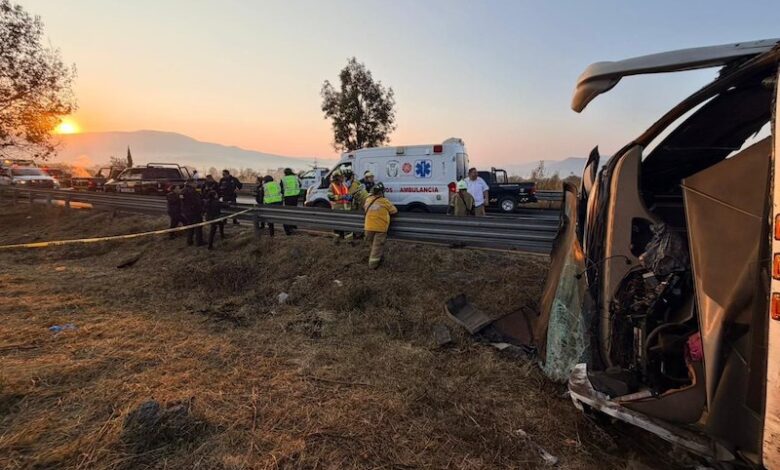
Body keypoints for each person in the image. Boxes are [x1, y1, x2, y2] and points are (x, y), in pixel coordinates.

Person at [363, 182, 397, 269]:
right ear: (381, 192)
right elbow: (394, 211)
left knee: (372, 246)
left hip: (368, 227)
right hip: (380, 229)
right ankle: (372, 266)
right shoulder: (384, 201)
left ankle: (370, 259)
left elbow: (364, 208)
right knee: (377, 247)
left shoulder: (368, 200)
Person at [328, 171, 351, 242]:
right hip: (337, 209)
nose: (342, 178)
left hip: (346, 209)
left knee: (347, 227)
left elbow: (347, 194)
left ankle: (348, 242)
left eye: (342, 176)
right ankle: (337, 242)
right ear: (336, 177)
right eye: (340, 176)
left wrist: (349, 197)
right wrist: (341, 197)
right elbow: (330, 196)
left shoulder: (344, 185)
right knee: (338, 227)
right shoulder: (332, 186)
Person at [181, 179, 205, 246]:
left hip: (186, 212)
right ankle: (199, 242)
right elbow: (197, 202)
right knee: (198, 227)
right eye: (195, 183)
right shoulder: (193, 191)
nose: (196, 184)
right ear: (191, 183)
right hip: (195, 212)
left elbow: (182, 201)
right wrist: (201, 210)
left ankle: (189, 241)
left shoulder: (183, 190)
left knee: (190, 226)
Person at [280, 168, 300, 232]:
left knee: (288, 211)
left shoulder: (283, 179)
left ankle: (290, 225)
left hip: (287, 197)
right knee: (294, 210)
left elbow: (281, 188)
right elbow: (300, 184)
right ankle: (294, 225)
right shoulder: (295, 178)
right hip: (295, 196)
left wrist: (284, 193)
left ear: (285, 173)